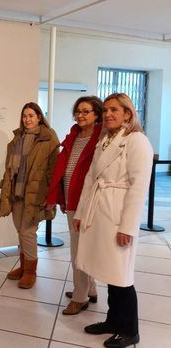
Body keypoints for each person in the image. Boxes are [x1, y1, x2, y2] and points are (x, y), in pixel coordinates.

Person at [73, 93, 153, 348]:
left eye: (114, 110)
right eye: (105, 110)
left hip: (118, 215)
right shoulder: (106, 139)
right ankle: (112, 320)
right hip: (100, 211)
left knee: (121, 274)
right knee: (107, 270)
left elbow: (138, 188)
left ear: (128, 113)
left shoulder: (137, 141)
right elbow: (90, 179)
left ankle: (130, 330)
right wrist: (81, 213)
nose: (108, 114)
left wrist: (128, 227)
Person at [46, 96, 103, 315]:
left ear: (96, 114)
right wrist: (62, 198)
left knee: (79, 251)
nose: (80, 115)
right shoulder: (74, 136)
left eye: (86, 111)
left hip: (87, 202)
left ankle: (80, 297)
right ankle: (90, 289)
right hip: (72, 200)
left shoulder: (100, 139)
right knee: (82, 248)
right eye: (78, 111)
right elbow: (64, 169)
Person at [0, 102, 59, 289]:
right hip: (17, 192)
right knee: (20, 230)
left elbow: (53, 171)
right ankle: (24, 267)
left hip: (36, 194)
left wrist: (51, 198)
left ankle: (31, 272)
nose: (27, 119)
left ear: (39, 117)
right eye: (25, 115)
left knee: (28, 232)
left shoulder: (49, 139)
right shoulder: (17, 139)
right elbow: (10, 169)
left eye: (31, 115)